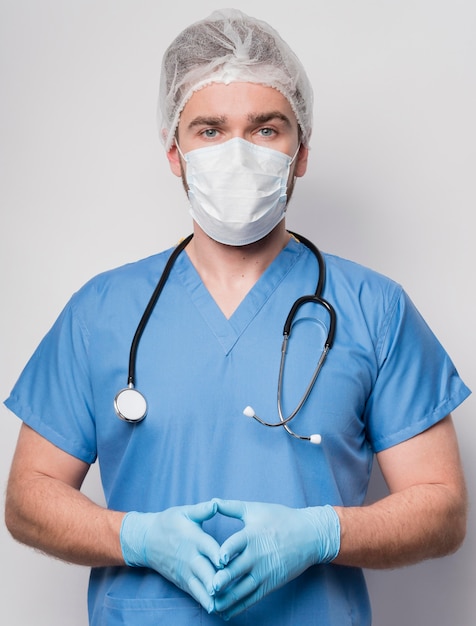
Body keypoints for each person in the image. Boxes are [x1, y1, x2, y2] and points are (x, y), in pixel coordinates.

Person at [4, 8, 470, 626]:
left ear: (300, 151)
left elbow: (441, 510)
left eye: (267, 129)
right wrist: (135, 538)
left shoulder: (374, 309)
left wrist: (321, 534)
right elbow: (27, 499)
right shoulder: (103, 310)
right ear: (175, 153)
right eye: (211, 130)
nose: (239, 154)